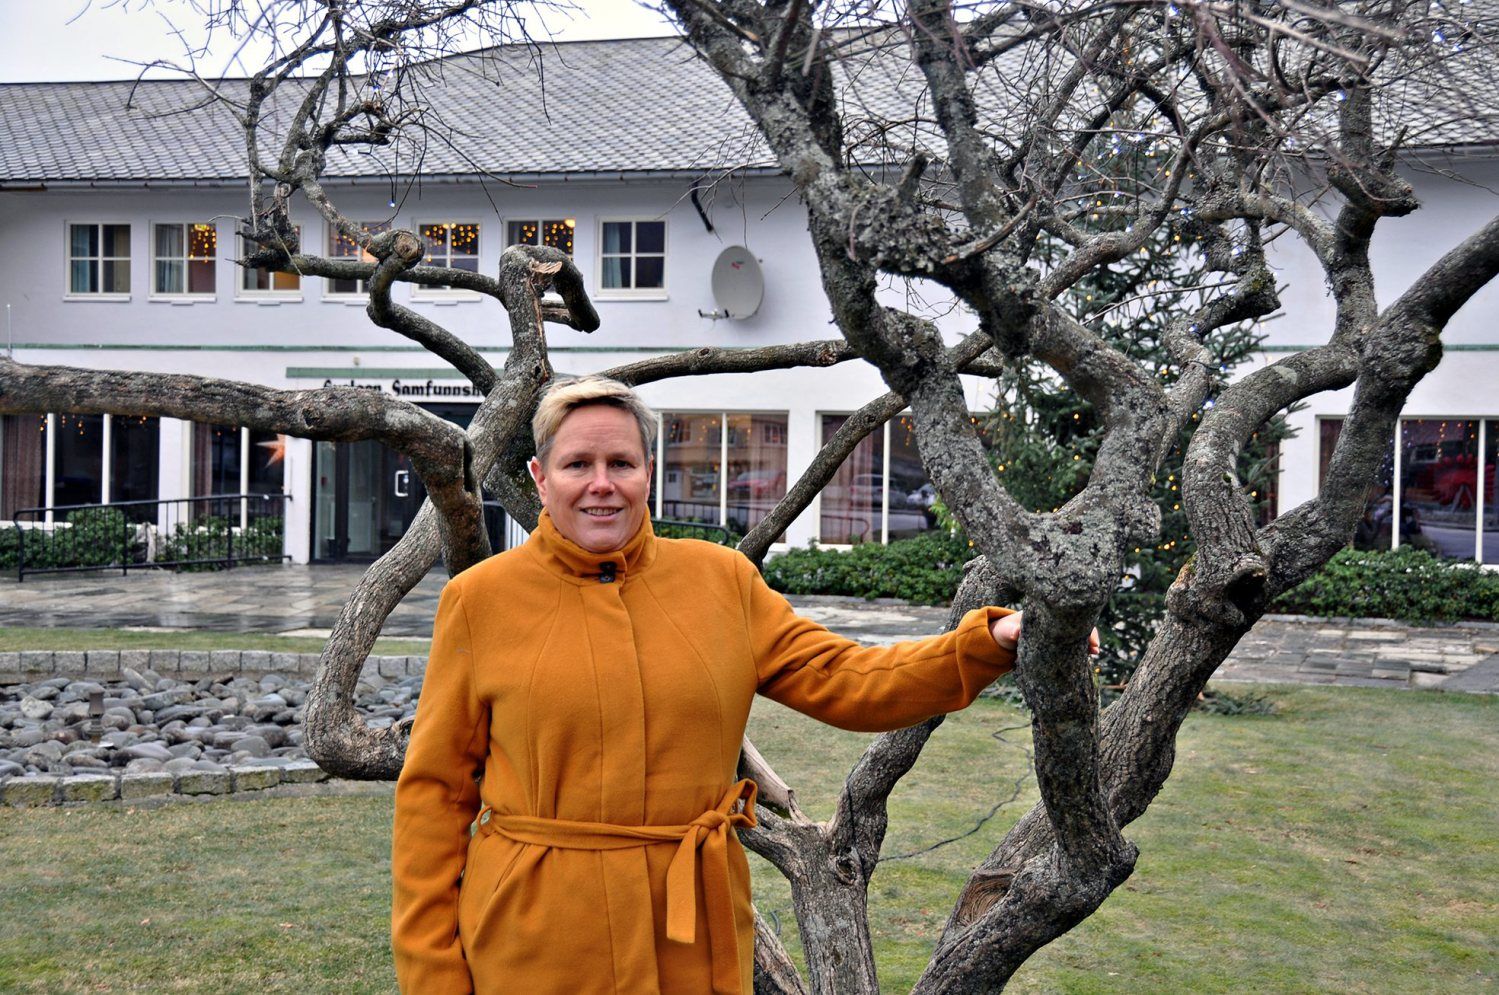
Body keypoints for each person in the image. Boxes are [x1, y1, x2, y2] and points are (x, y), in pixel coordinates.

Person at [391, 376, 1086, 994]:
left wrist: (987, 642)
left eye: (621, 463)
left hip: (691, 937)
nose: (601, 483)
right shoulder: (479, 600)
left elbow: (848, 679)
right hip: (534, 938)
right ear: (541, 478)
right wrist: (432, 975)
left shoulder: (720, 580)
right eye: (578, 464)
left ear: (648, 472)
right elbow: (434, 797)